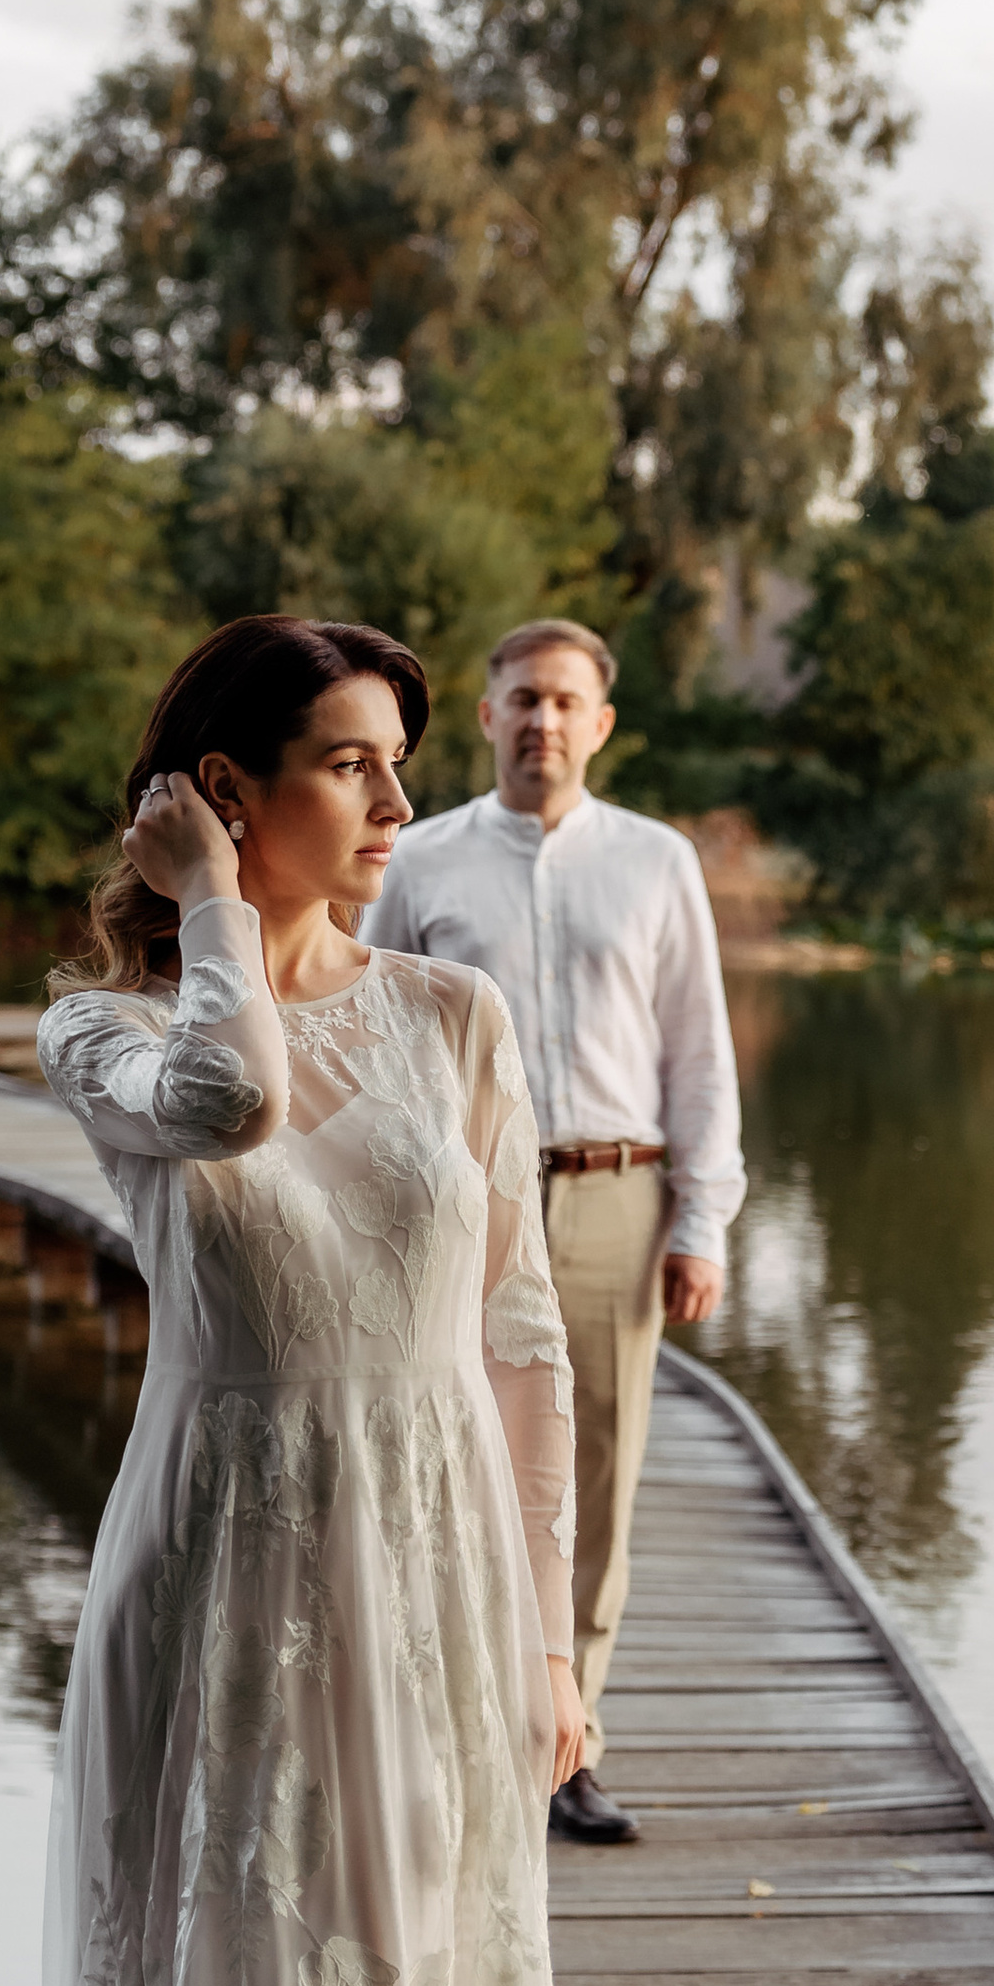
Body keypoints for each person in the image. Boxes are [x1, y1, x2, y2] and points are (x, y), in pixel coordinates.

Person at [6, 614, 677, 1986]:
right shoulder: (104, 1026)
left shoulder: (459, 1021)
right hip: (221, 1619)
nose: (398, 815)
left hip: (421, 1611)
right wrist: (209, 906)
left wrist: (553, 1645)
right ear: (210, 787)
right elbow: (230, 1102)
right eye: (347, 770)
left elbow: (517, 1351)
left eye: (404, 768)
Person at [365, 620, 745, 1847]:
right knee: (443, 1456)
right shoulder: (416, 861)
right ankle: (445, 1735)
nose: (542, 721)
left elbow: (698, 1051)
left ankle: (564, 1748)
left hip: (612, 1196)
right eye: (522, 698)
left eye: (565, 702)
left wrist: (703, 1222)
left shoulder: (656, 862)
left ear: (599, 724)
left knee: (593, 1475)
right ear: (486, 716)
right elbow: (367, 1038)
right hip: (458, 1195)